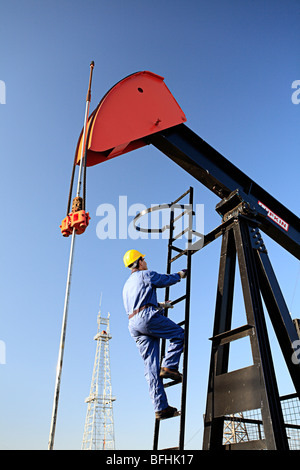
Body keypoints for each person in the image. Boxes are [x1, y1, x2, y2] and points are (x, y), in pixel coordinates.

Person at [122, 249, 187, 420]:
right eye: (143, 259)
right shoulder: (145, 275)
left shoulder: (127, 285)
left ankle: (161, 408)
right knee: (179, 334)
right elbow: (164, 279)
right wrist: (180, 274)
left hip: (134, 324)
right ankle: (169, 366)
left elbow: (138, 304)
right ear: (140, 262)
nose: (145, 262)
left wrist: (160, 305)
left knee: (150, 366)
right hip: (146, 318)